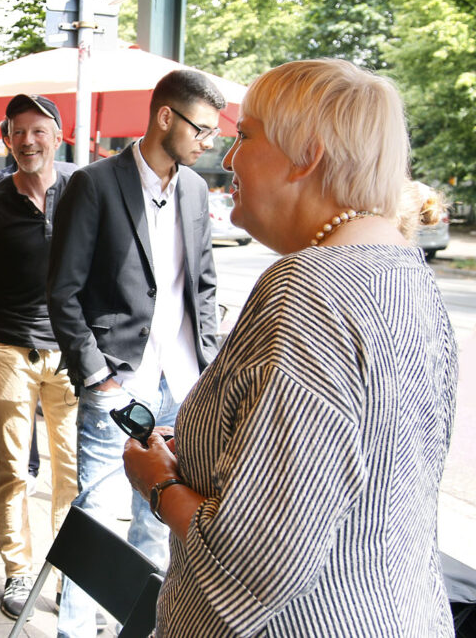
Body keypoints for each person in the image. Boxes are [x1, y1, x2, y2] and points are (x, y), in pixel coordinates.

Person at [123, 58, 457, 637]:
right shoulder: (409, 275)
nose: (227, 157)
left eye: (246, 135)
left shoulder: (307, 287)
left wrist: (158, 481)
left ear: (308, 154)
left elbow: (257, 557)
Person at [48, 70, 223, 636]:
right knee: (95, 517)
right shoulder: (95, 183)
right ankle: (74, 630)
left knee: (163, 517)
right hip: (118, 382)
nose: (209, 143)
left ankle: (140, 627)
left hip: (184, 385)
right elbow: (64, 292)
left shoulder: (196, 190)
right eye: (202, 129)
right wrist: (98, 378)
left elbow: (204, 286)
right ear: (165, 117)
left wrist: (209, 366)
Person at [0, 95, 78, 619]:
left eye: (38, 131)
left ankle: (69, 575)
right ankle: (18, 571)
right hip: (9, 348)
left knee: (74, 473)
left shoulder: (82, 189)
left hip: (74, 351)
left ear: (57, 134)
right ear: (7, 140)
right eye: (18, 133)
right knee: (12, 469)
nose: (28, 141)